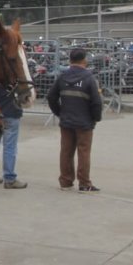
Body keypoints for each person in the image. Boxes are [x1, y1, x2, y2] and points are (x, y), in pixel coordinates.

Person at [46, 47, 103, 192]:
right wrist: (96, 118)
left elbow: (51, 97)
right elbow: (96, 102)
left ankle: (65, 181)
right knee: (83, 152)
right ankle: (84, 183)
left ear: (70, 60)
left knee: (66, 151)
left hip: (66, 121)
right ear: (84, 60)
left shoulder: (62, 77)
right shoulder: (89, 78)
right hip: (84, 122)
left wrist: (59, 112)